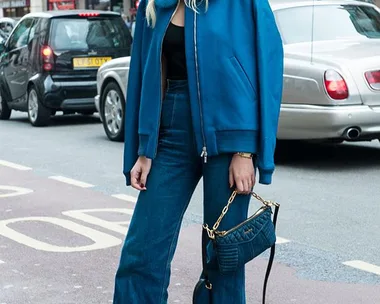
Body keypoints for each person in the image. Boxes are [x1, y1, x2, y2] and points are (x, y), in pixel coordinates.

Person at [113, 0, 284, 303]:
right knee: (141, 253)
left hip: (229, 136)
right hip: (171, 132)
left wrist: (246, 151)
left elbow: (266, 64)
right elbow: (146, 74)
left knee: (223, 258)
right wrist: (144, 149)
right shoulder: (155, 5)